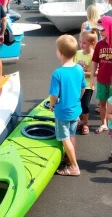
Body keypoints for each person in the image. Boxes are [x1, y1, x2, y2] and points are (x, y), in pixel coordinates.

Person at [49, 35, 86, 176]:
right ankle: (69, 158)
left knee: (64, 138)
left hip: (63, 112)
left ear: (59, 52)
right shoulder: (79, 69)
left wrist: (52, 105)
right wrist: (78, 98)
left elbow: (54, 95)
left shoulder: (58, 73)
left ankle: (74, 167)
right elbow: (83, 87)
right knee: (71, 135)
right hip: (76, 110)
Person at [74, 30, 98, 134]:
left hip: (88, 85)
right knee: (77, 103)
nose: (81, 44)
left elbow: (97, 72)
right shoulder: (78, 53)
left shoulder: (94, 56)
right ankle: (80, 121)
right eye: (80, 42)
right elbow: (73, 65)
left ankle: (85, 123)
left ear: (92, 43)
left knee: (84, 105)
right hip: (76, 85)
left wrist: (83, 74)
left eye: (84, 43)